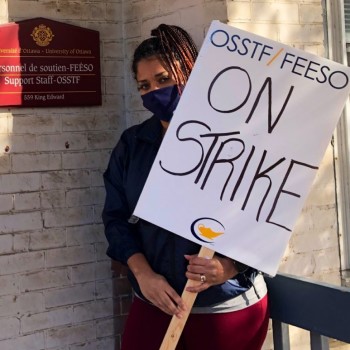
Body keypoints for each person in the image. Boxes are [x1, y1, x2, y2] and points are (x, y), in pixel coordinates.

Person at [102, 23, 269, 350]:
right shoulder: (133, 145)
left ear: (190, 73)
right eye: (144, 85)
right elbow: (116, 218)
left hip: (225, 308)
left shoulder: (236, 141)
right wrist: (144, 275)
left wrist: (228, 266)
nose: (154, 92)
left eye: (163, 79)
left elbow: (265, 219)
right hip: (153, 302)